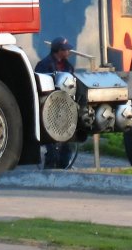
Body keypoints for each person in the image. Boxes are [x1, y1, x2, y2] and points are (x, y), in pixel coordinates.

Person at [34, 36, 76, 168]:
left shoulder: (68, 67)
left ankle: (64, 169)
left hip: (65, 111)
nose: (68, 52)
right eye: (65, 49)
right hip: (49, 110)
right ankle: (49, 172)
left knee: (67, 146)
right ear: (58, 50)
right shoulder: (43, 65)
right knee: (52, 147)